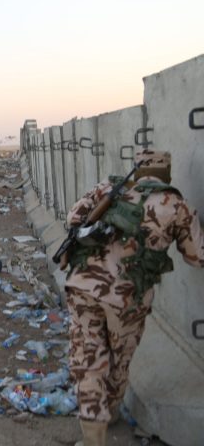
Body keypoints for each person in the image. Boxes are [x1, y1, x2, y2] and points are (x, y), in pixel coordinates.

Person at [64, 150, 204, 446]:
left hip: (83, 286)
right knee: (119, 360)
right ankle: (110, 412)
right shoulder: (176, 205)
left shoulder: (108, 188)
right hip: (128, 299)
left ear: (137, 170)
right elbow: (197, 256)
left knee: (88, 358)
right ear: (166, 173)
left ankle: (93, 434)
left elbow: (73, 218)